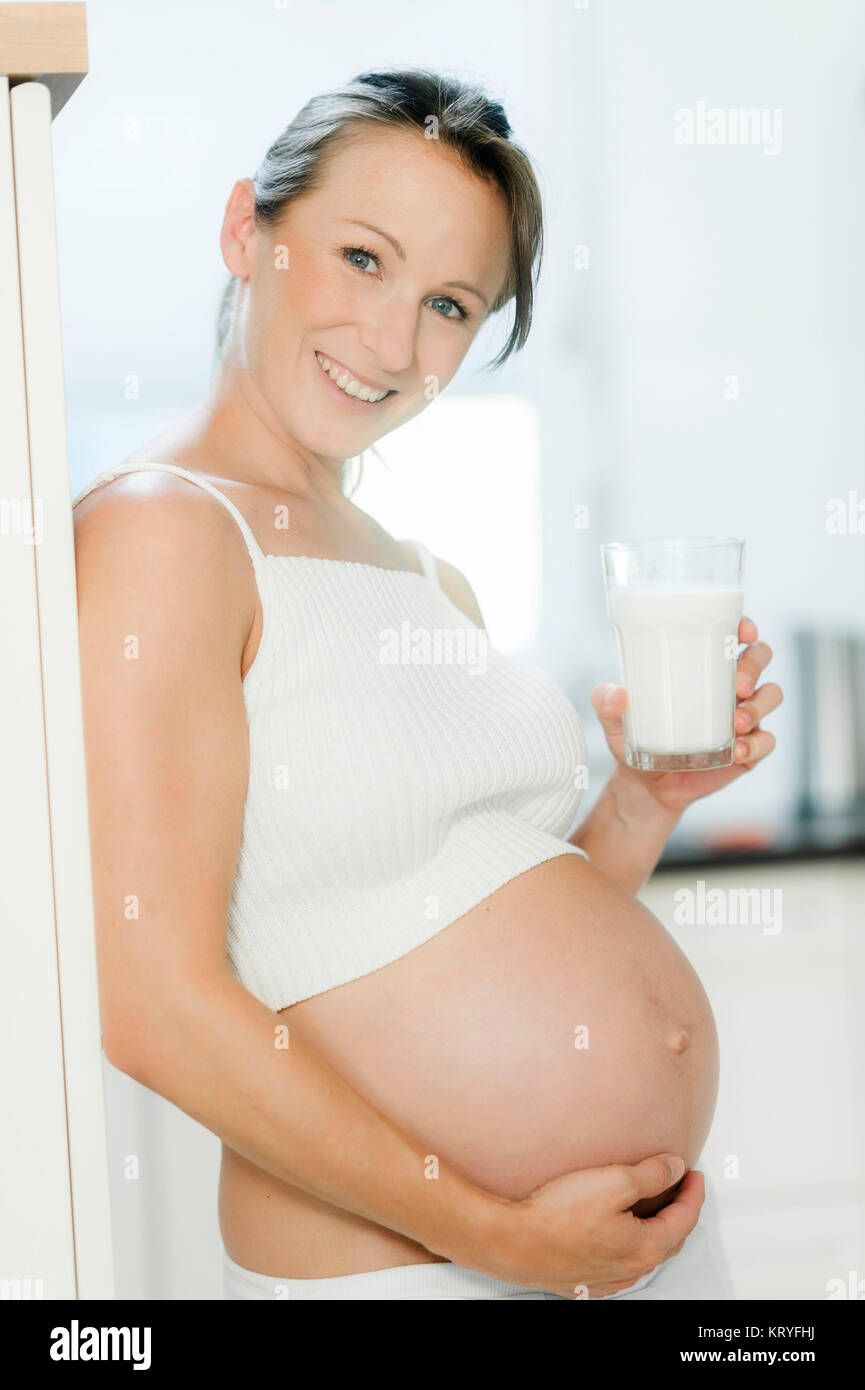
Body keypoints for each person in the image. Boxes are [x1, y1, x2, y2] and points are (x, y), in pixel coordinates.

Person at [72, 68, 780, 1301]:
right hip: (416, 1274)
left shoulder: (424, 574)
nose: (394, 342)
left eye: (450, 303)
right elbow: (151, 1003)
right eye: (360, 258)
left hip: (617, 1253)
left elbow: (441, 920)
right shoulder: (161, 532)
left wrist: (643, 801)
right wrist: (498, 1236)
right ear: (250, 229)